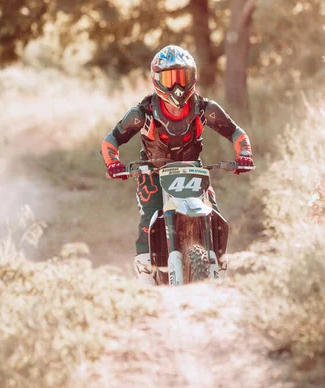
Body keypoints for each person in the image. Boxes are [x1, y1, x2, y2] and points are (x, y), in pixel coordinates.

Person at [100, 45, 254, 285]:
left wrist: (244, 154)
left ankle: (219, 262)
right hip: (151, 170)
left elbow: (236, 132)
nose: (177, 87)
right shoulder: (143, 112)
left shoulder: (204, 108)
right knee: (149, 216)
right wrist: (113, 163)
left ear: (193, 77)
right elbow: (112, 139)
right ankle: (146, 274)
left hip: (192, 168)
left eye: (182, 77)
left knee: (214, 213)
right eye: (170, 79)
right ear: (156, 80)